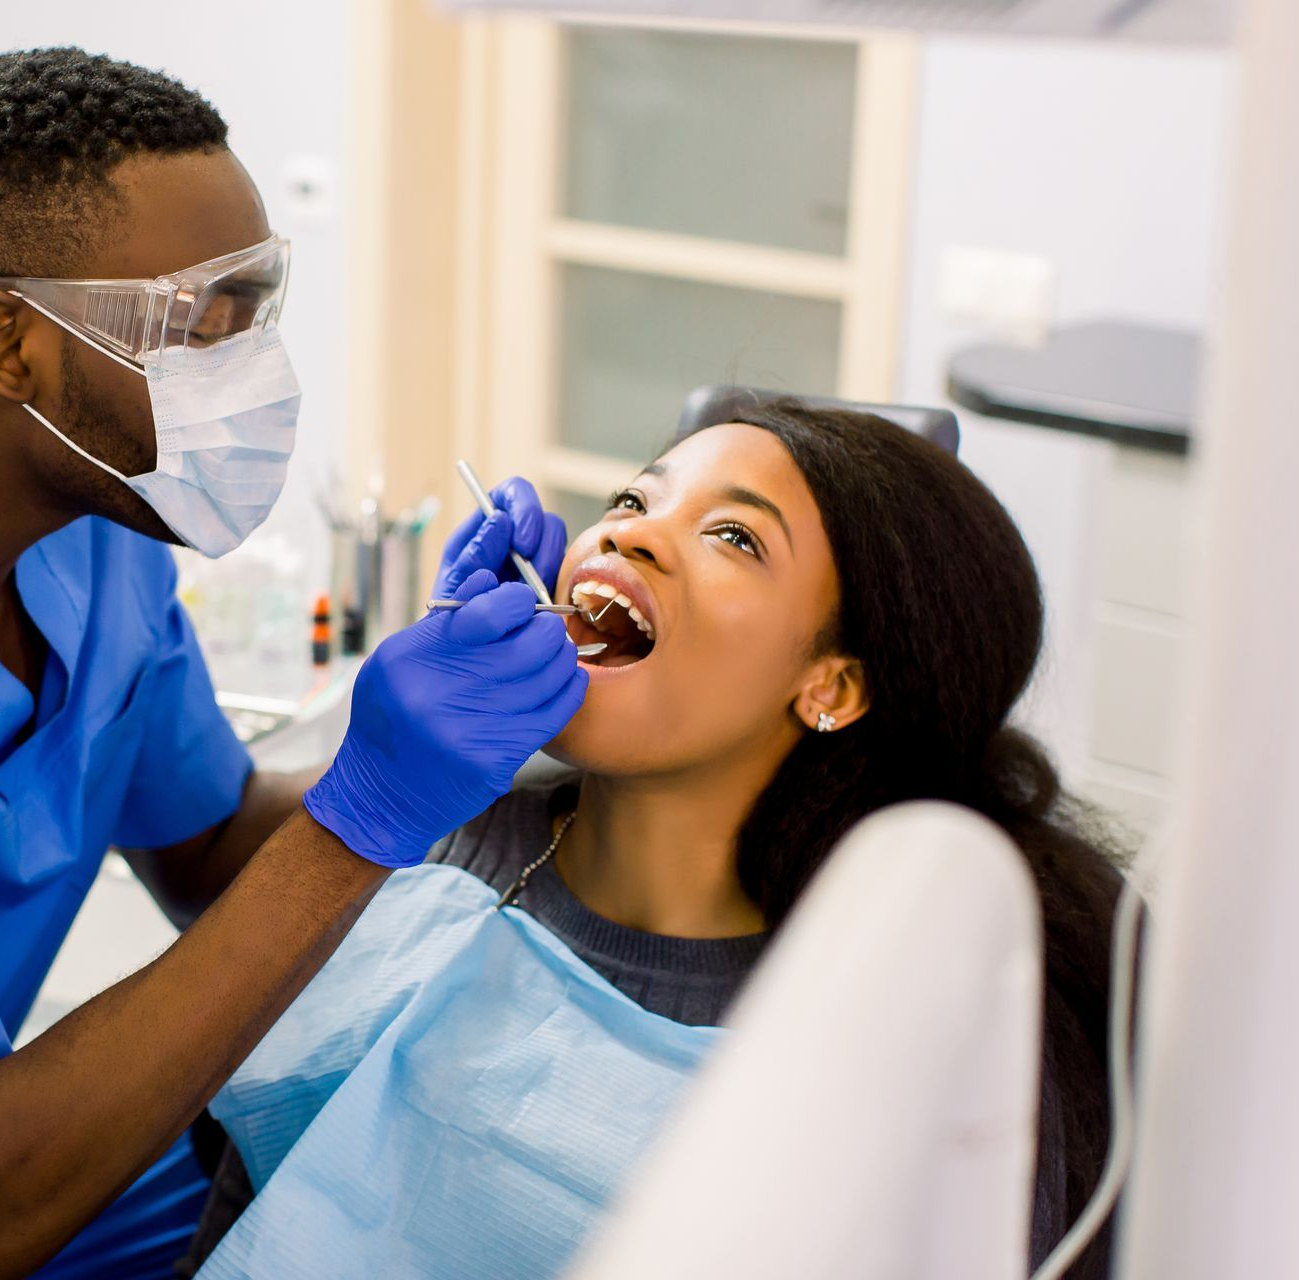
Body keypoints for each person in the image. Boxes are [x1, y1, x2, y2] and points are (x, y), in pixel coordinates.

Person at [185, 401, 1122, 1280]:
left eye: (734, 536)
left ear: (831, 684)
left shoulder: (887, 1018)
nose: (628, 532)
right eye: (634, 498)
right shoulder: (433, 850)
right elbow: (255, 1208)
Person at [0, 47, 586, 1280]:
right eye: (193, 323)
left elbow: (208, 845)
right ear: (15, 346)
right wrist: (363, 817)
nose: (250, 368)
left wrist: (455, 743)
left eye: (256, 307)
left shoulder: (100, 556)